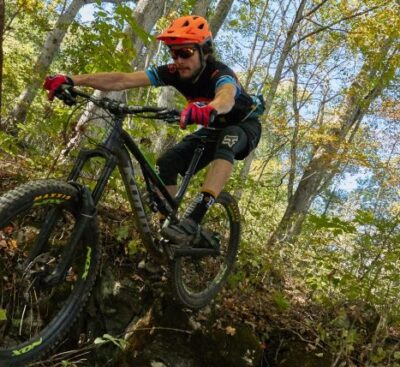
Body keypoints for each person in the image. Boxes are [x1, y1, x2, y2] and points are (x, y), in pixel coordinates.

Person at [44, 15, 263, 247]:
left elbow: (226, 97)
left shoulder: (219, 73)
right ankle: (167, 231)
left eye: (186, 52)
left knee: (229, 137)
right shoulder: (173, 72)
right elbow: (122, 80)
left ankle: (194, 218)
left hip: (244, 126)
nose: (178, 60)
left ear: (205, 50)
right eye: (173, 53)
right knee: (166, 163)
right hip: (211, 129)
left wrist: (210, 108)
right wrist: (73, 80)